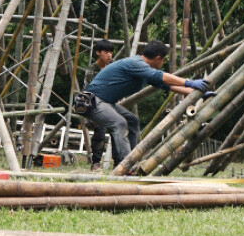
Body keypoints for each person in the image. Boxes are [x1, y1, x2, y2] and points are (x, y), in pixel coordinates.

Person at [83, 40, 212, 166]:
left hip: (106, 102)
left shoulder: (143, 69)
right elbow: (160, 76)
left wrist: (195, 91)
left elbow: (167, 85)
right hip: (92, 101)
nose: (162, 63)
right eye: (163, 60)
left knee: (132, 120)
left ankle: (126, 162)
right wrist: (189, 82)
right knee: (120, 123)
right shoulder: (136, 63)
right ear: (158, 58)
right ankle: (126, 166)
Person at [83, 40, 115, 172]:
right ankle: (96, 163)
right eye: (106, 52)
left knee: (118, 131)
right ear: (98, 53)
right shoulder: (92, 70)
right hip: (95, 105)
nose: (109, 55)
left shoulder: (112, 67)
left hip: (112, 104)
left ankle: (119, 163)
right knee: (100, 133)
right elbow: (90, 91)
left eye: (111, 52)